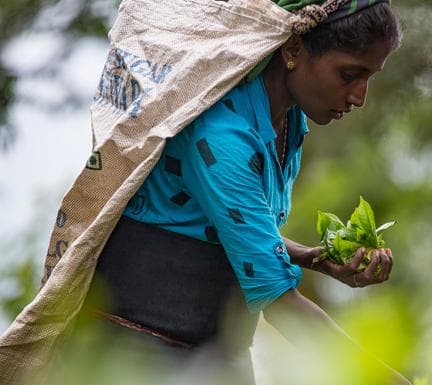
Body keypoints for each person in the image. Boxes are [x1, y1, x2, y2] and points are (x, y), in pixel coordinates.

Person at [71, 1, 410, 384]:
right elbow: (278, 302)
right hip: (136, 355)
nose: (359, 96)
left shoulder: (288, 120)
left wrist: (313, 258)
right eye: (350, 74)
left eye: (369, 77)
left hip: (214, 356)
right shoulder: (222, 135)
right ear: (294, 50)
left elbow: (226, 228)